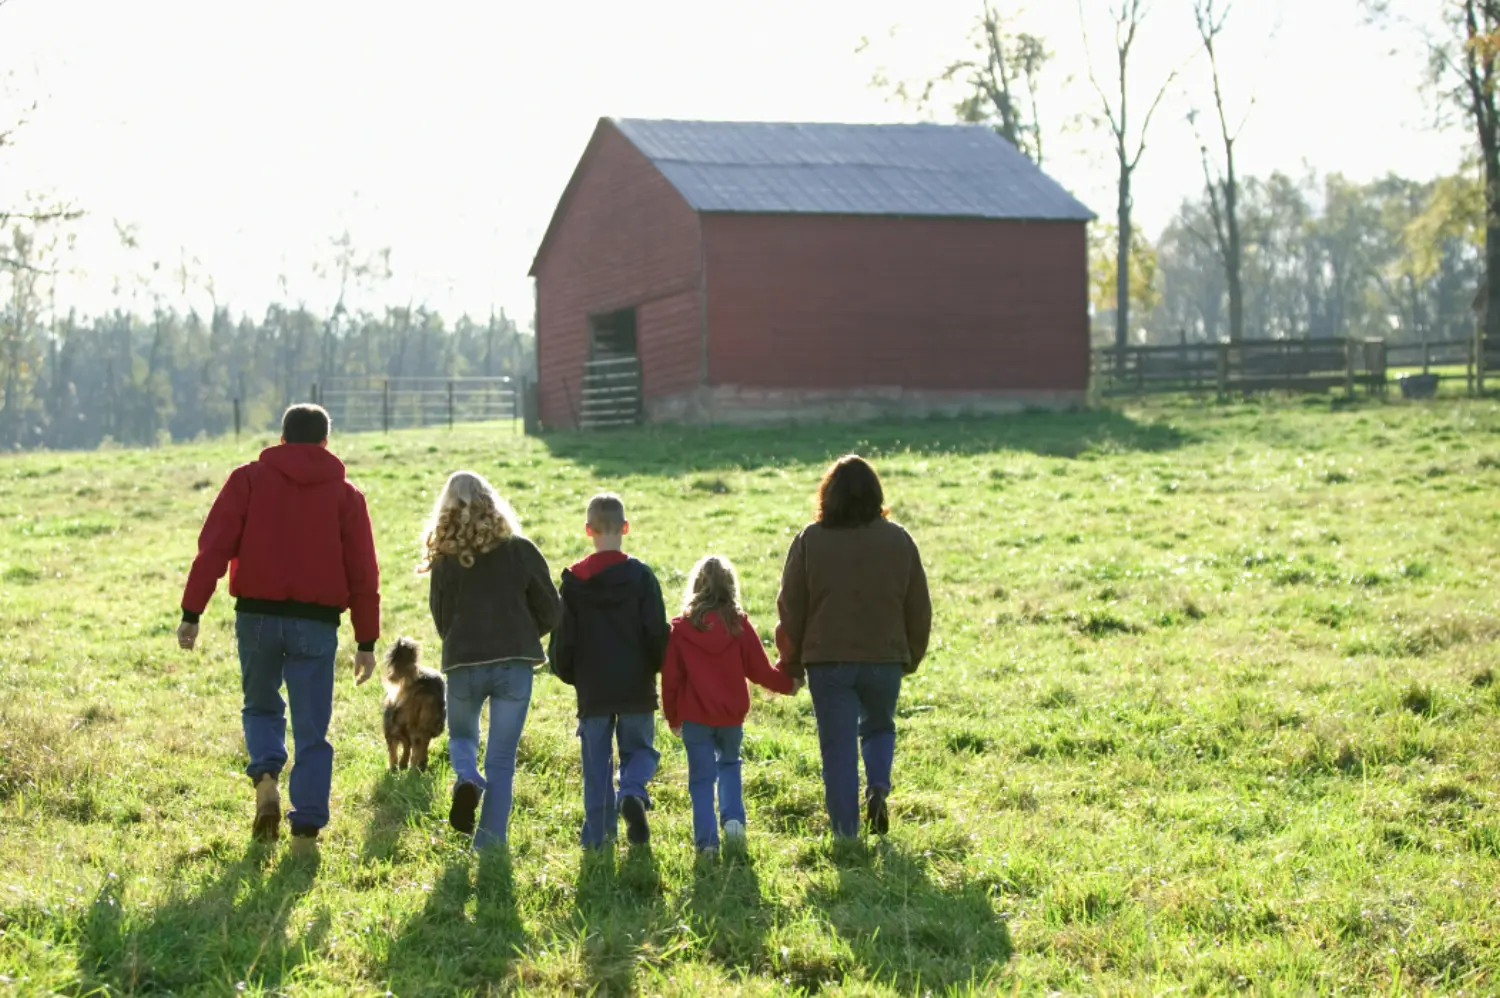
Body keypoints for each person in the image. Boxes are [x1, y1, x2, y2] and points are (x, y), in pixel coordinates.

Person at [177, 404, 381, 857]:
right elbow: (364, 573)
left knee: (261, 705)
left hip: (257, 617)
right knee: (313, 729)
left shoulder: (248, 479)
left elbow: (212, 549)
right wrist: (366, 640)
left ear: (282, 439)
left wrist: (192, 611)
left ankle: (266, 777)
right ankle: (305, 834)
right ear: (326, 442)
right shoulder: (347, 496)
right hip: (316, 624)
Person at [774, 454, 931, 840]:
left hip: (828, 661)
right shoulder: (899, 540)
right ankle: (877, 787)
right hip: (885, 657)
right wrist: (909, 654)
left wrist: (790, 664)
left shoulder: (810, 541)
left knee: (838, 749)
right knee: (879, 728)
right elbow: (918, 605)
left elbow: (791, 607)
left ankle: (845, 833)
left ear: (828, 496)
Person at [421, 471, 560, 850]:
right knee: (501, 758)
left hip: (463, 662)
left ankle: (467, 778)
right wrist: (525, 631)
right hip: (514, 663)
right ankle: (489, 845)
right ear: (491, 502)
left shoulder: (445, 560)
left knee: (463, 737)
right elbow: (551, 609)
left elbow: (441, 619)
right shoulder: (520, 549)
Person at [549, 493, 669, 849]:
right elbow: (656, 632)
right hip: (635, 684)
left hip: (593, 688)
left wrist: (571, 674)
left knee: (596, 768)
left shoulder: (572, 583)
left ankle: (599, 839)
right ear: (625, 528)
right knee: (641, 750)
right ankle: (632, 789)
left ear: (588, 530)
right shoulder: (642, 577)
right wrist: (656, 667)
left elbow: (562, 641)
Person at [662, 555, 799, 856]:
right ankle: (734, 820)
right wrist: (788, 684)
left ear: (696, 587)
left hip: (695, 718)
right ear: (731, 587)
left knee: (700, 780)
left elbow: (670, 679)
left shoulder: (682, 630)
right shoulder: (739, 626)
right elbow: (761, 671)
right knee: (729, 765)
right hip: (731, 717)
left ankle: (707, 842)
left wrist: (672, 717)